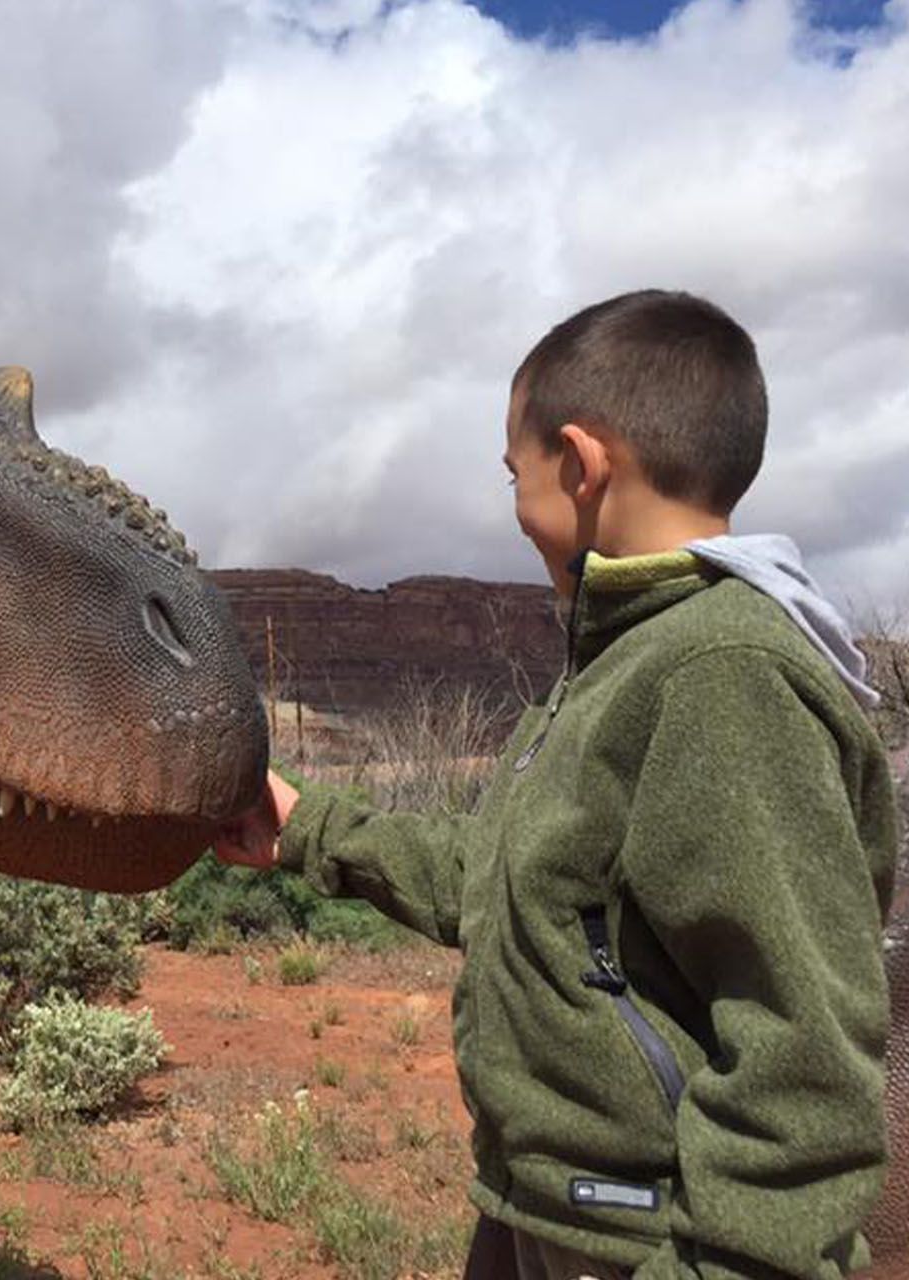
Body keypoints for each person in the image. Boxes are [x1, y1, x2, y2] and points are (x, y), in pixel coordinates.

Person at [216, 291, 899, 1279]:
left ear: (579, 464)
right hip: (545, 1209)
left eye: (515, 474)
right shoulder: (621, 659)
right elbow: (508, 879)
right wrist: (306, 825)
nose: (515, 508)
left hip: (648, 1244)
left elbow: (807, 1048)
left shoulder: (721, 673)